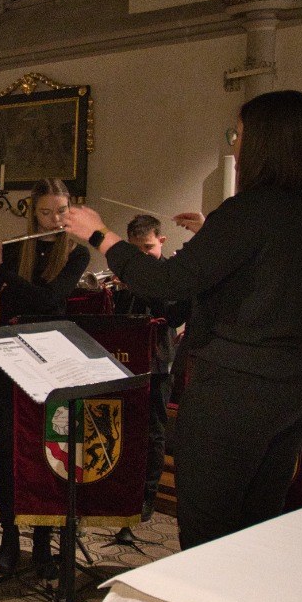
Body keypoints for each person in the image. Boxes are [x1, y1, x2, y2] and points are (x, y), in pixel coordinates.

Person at [62, 90, 302, 550]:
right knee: (256, 523)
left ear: (265, 143)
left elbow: (165, 281)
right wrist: (216, 235)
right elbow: (266, 270)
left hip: (241, 390)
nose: (236, 144)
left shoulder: (249, 209)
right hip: (300, 383)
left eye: (241, 134)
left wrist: (100, 234)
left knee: (208, 532)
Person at [0, 178, 90, 578]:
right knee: (10, 452)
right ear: (33, 213)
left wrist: (2, 270)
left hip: (52, 362)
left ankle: (44, 543)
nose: (54, 218)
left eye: (61, 211)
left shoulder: (76, 254)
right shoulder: (14, 250)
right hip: (10, 361)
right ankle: (10, 539)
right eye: (46, 212)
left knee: (48, 452)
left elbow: (50, 300)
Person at [111, 215, 188, 524]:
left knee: (154, 431)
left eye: (148, 248)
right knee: (124, 428)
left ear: (162, 242)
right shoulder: (127, 273)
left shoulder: (172, 274)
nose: (142, 255)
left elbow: (171, 314)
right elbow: (120, 317)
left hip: (158, 360)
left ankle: (148, 494)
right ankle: (122, 489)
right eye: (135, 250)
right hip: (127, 360)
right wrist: (120, 291)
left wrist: (139, 285)